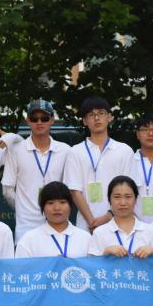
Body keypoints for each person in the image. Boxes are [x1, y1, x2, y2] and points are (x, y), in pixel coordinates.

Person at [1, 100, 72, 241]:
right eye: (34, 119)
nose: (39, 122)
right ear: (28, 120)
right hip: (26, 227)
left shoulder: (65, 150)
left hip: (58, 224)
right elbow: (7, 189)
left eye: (44, 118)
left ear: (52, 120)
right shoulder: (16, 150)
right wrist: (22, 209)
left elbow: (70, 188)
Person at [64, 96, 133, 232]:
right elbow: (74, 190)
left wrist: (108, 216)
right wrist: (91, 222)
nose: (97, 118)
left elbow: (129, 189)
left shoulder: (124, 150)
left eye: (101, 113)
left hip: (118, 223)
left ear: (110, 117)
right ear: (84, 121)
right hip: (85, 226)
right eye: (91, 114)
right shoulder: (75, 152)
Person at [87, 176, 153, 257]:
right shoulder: (99, 233)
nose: (123, 202)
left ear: (135, 199)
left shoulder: (150, 231)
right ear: (109, 200)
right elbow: (92, 263)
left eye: (128, 197)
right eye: (117, 197)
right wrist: (105, 254)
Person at [14, 181, 92, 258]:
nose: (57, 208)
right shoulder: (29, 240)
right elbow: (21, 266)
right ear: (42, 207)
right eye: (50, 203)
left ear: (70, 206)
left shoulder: (86, 238)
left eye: (62, 202)